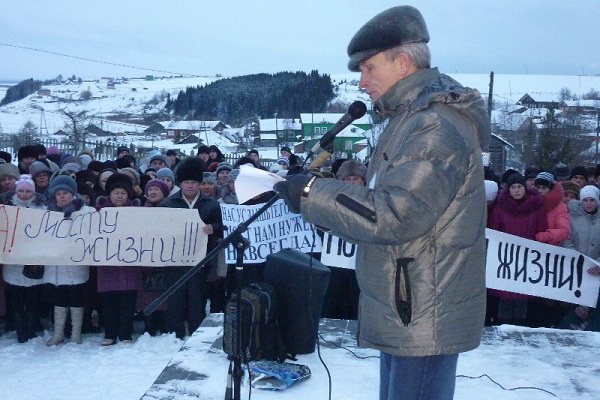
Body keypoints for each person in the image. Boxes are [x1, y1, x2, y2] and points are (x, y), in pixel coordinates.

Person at [275, 6, 489, 400]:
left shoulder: (433, 126)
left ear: (403, 63)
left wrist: (312, 194)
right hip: (407, 304)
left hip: (422, 308)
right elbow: (377, 204)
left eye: (368, 68)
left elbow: (394, 214)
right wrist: (319, 206)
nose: (361, 82)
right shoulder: (406, 121)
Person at [159, 157, 223, 339]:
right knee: (175, 297)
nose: (189, 186)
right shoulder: (168, 204)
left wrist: (214, 228)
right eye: (186, 182)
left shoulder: (211, 204)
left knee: (198, 297)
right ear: (181, 183)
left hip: (200, 258)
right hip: (175, 258)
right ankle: (175, 333)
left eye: (193, 182)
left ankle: (196, 332)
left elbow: (222, 225)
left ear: (199, 183)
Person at [95, 173, 142, 345]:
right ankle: (110, 334)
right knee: (109, 302)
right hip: (107, 265)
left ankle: (125, 334)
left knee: (128, 303)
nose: (120, 196)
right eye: (116, 193)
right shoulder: (98, 212)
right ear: (109, 194)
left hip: (129, 264)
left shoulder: (136, 212)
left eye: (123, 193)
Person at [44, 175, 91, 345]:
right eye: (58, 194)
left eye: (65, 193)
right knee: (59, 299)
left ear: (73, 194)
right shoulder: (46, 213)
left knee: (76, 298)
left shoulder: (85, 212)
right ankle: (59, 333)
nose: (62, 196)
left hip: (75, 264)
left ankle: (76, 333)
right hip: (56, 265)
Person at [1, 175, 46, 343]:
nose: (24, 194)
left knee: (33, 297)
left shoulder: (42, 208)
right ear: (16, 191)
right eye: (21, 190)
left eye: (28, 191)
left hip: (33, 260)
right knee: (17, 298)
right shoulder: (7, 207)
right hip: (13, 260)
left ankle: (31, 327)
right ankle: (21, 330)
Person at [559, 185, 600, 331]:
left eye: (592, 200)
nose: (588, 203)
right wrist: (575, 258)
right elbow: (566, 239)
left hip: (596, 271)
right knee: (573, 307)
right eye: (585, 200)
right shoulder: (572, 217)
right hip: (574, 268)